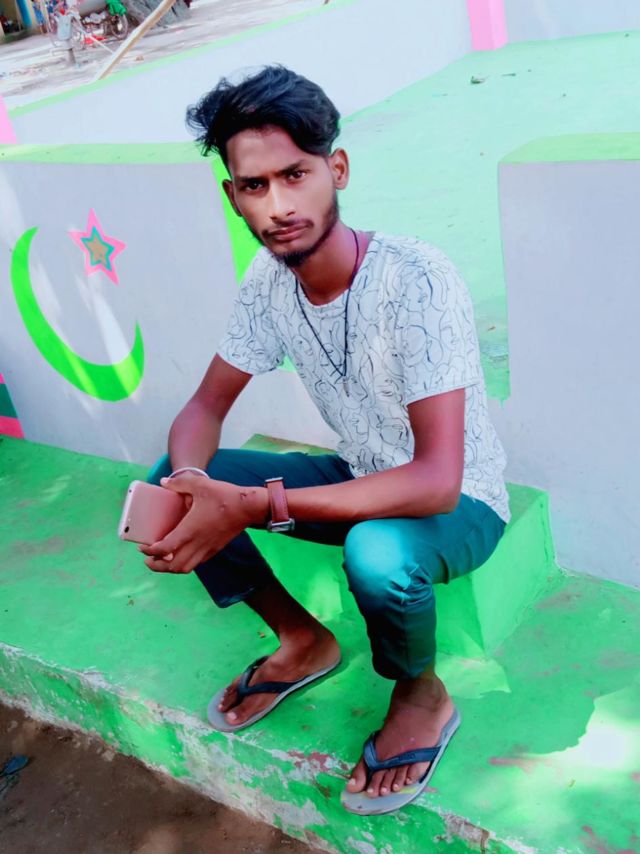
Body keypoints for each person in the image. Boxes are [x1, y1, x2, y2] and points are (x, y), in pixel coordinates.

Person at [140, 65, 510, 816]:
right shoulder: (269, 282)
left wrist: (251, 504)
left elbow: (436, 479)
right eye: (255, 186)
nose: (279, 206)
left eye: (295, 175)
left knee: (376, 552)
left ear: (335, 169)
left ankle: (421, 693)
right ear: (233, 197)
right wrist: (195, 484)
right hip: (359, 473)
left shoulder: (416, 278)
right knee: (170, 478)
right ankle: (302, 641)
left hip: (460, 502)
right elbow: (204, 406)